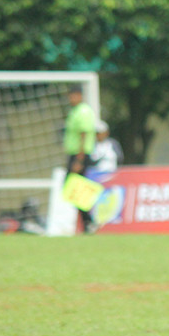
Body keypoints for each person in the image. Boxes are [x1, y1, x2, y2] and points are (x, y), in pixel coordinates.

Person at [63, 84, 97, 232]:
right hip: (76, 154)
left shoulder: (83, 111)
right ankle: (86, 223)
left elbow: (84, 135)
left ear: (79, 95)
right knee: (74, 189)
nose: (70, 98)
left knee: (76, 188)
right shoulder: (75, 111)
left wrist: (79, 160)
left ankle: (89, 221)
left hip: (80, 155)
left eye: (73, 95)